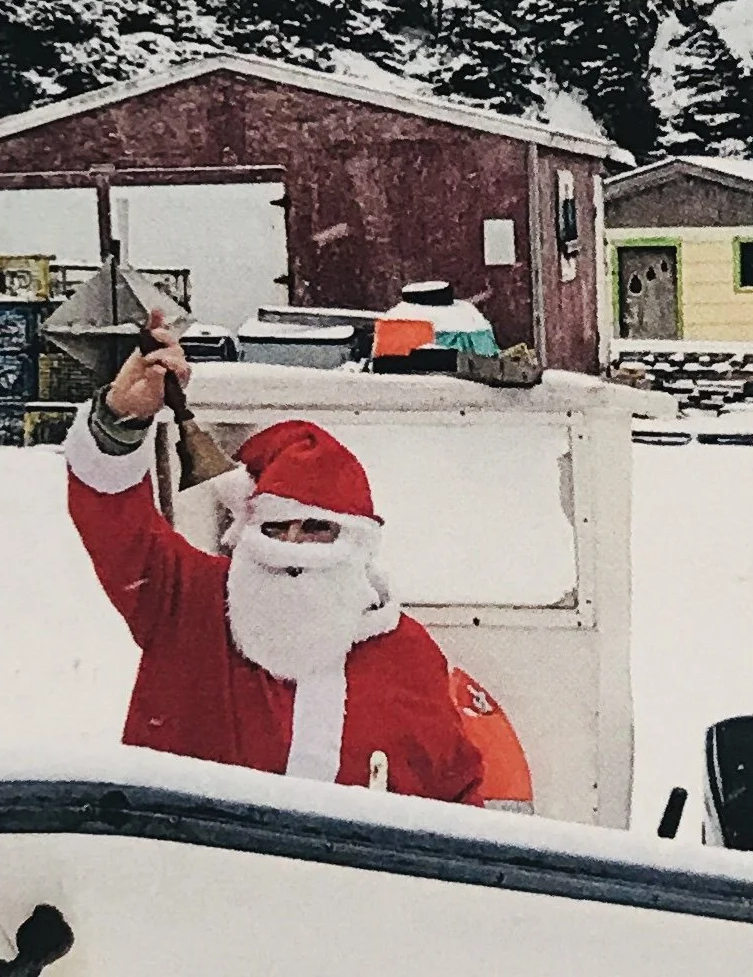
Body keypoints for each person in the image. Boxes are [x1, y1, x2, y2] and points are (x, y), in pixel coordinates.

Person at [66, 313, 489, 801]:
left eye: (315, 528)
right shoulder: (189, 606)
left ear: (354, 544)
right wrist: (122, 418)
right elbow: (112, 518)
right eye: (276, 528)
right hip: (184, 873)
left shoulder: (406, 656)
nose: (293, 546)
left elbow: (457, 801)